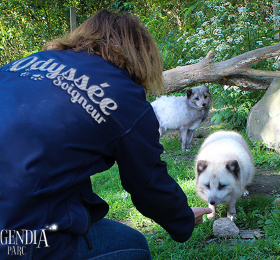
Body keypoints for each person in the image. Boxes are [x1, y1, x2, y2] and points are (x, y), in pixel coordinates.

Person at [0, 9, 211, 260]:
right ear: (142, 56)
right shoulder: (125, 98)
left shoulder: (26, 63)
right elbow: (148, 182)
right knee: (131, 245)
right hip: (13, 239)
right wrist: (183, 219)